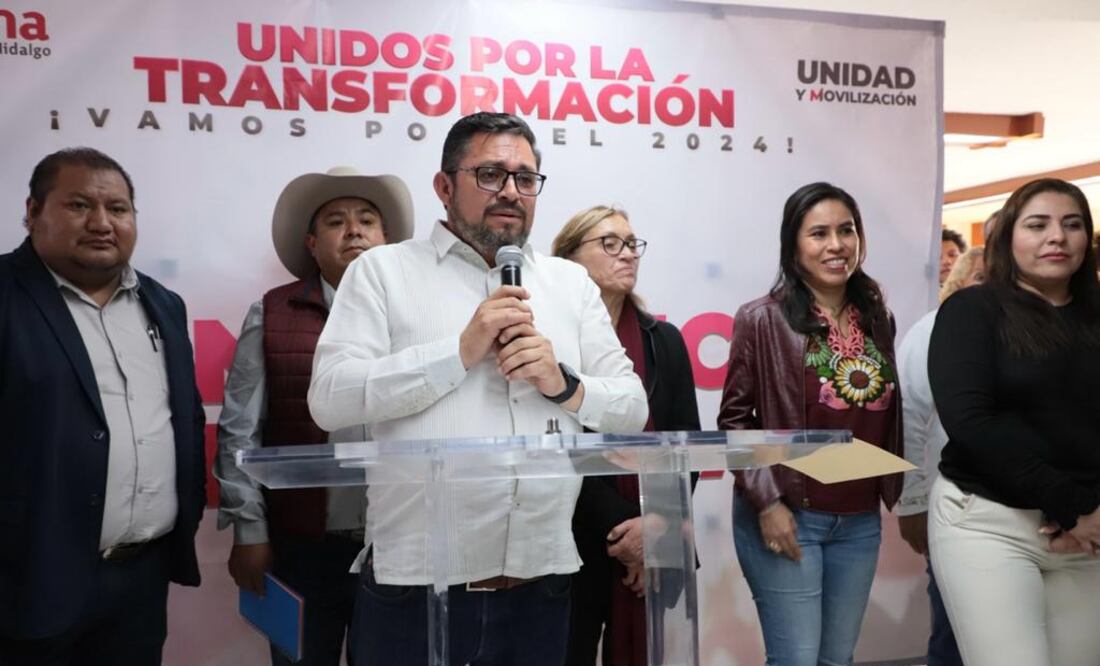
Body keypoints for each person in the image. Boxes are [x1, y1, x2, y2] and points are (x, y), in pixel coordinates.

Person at [307, 113, 649, 666]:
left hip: (543, 584)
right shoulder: (381, 271)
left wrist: (562, 384)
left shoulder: (570, 283)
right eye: (490, 174)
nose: (511, 191)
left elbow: (632, 408)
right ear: (444, 187)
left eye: (525, 177)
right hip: (416, 589)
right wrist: (459, 352)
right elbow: (330, 398)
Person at [0, 148, 206, 665]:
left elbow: (181, 418)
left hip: (139, 580)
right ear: (32, 211)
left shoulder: (164, 304)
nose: (101, 223)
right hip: (24, 583)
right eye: (78, 206)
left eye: (118, 209)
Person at [215, 167, 414, 665]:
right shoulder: (273, 313)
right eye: (335, 221)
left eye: (367, 220)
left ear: (386, 238)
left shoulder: (419, 315)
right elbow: (241, 430)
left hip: (401, 544)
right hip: (303, 548)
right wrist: (250, 532)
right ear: (311, 241)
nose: (354, 230)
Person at [718, 182, 902, 666]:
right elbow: (736, 421)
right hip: (789, 511)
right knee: (796, 659)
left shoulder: (879, 318)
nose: (836, 244)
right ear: (794, 245)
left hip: (860, 518)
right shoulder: (761, 318)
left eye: (846, 230)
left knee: (836, 659)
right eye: (818, 233)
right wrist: (767, 501)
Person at [928, 178, 1100, 666]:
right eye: (1038, 224)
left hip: (1087, 528)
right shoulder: (972, 311)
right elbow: (972, 423)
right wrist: (1073, 507)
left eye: (1072, 225)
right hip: (987, 521)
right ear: (1007, 238)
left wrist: (1089, 513)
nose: (1057, 237)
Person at [551, 205, 701, 666]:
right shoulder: (552, 341)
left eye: (632, 244)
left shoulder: (665, 340)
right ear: (570, 261)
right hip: (577, 540)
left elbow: (685, 444)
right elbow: (561, 449)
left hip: (659, 531)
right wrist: (625, 531)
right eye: (610, 243)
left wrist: (655, 525)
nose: (628, 255)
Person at [896, 246, 984, 666]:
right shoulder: (932, 330)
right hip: (954, 506)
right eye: (980, 279)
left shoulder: (1038, 332)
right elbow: (909, 416)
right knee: (954, 631)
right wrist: (911, 500)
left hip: (1038, 512)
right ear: (959, 283)